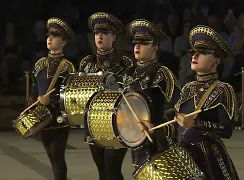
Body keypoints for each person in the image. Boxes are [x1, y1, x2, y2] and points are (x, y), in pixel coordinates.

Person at [174, 25, 240, 180]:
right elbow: (176, 125)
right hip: (185, 158)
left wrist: (195, 124)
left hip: (210, 160)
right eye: (193, 52)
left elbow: (226, 130)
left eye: (202, 53)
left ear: (216, 62)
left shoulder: (224, 89)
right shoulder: (187, 88)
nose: (195, 56)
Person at [79, 12, 134, 180]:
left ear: (114, 36)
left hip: (117, 124)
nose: (100, 36)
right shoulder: (86, 63)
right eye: (97, 33)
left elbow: (131, 95)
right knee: (102, 172)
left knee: (112, 171)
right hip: (93, 122)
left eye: (105, 33)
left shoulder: (125, 63)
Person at [121, 19, 181, 168]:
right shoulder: (129, 73)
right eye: (136, 43)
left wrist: (159, 126)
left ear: (155, 47)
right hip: (136, 140)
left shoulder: (162, 74)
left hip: (158, 143)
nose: (138, 46)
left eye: (144, 43)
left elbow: (182, 105)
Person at [28, 17, 76, 180]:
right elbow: (35, 88)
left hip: (58, 117)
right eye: (49, 36)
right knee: (51, 156)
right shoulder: (40, 63)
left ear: (63, 42)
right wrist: (31, 107)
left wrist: (52, 100)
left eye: (55, 36)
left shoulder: (68, 66)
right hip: (42, 117)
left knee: (57, 157)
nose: (50, 39)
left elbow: (69, 93)